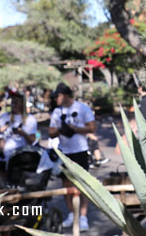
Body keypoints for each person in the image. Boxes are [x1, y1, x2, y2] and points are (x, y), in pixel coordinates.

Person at [49, 83, 96, 231]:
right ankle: (71, 214)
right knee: (66, 185)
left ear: (66, 95)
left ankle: (83, 217)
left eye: (58, 95)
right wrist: (60, 130)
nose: (56, 98)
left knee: (82, 185)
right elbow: (50, 132)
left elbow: (92, 128)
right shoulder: (57, 112)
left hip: (80, 151)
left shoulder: (82, 108)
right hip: (64, 152)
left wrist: (75, 129)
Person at [0, 92, 37, 163]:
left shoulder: (30, 119)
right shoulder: (4, 116)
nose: (13, 105)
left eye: (16, 103)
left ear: (22, 104)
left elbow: (32, 141)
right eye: (12, 102)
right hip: (3, 158)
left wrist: (23, 134)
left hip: (21, 158)